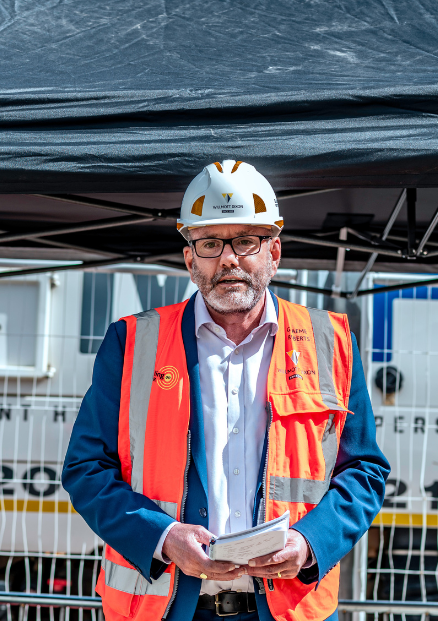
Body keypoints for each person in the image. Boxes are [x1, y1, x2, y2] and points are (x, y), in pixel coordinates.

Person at [62, 160, 389, 621]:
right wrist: (163, 537)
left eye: (246, 241)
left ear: (274, 252)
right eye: (211, 243)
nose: (229, 259)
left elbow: (364, 470)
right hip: (169, 608)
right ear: (189, 258)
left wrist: (310, 542)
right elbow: (85, 469)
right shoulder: (132, 343)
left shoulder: (329, 342)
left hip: (286, 609)